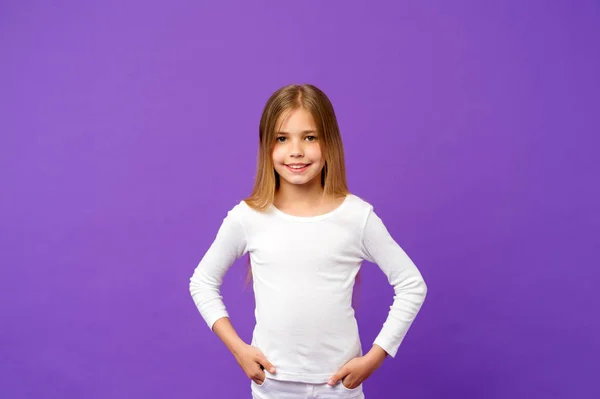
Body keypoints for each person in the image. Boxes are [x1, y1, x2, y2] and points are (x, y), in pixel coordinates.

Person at [189, 83, 427, 398]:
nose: (296, 151)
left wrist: (375, 357)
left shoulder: (356, 217)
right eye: (282, 138)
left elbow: (412, 284)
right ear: (267, 147)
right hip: (273, 386)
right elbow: (202, 282)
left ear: (329, 143)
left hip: (338, 389)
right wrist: (238, 350)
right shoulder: (248, 217)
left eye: (310, 137)